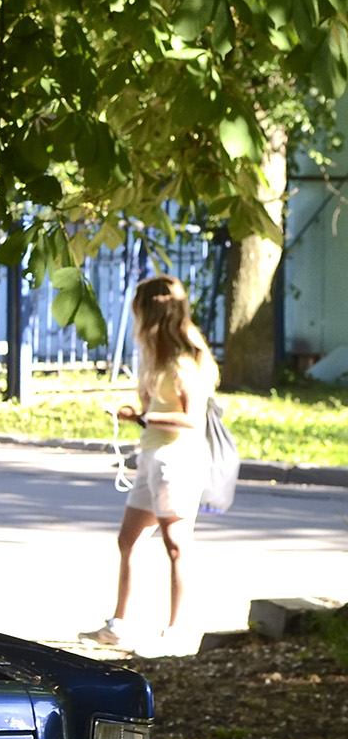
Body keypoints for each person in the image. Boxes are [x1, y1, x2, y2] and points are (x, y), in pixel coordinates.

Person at [79, 274, 217, 653]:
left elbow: (192, 419)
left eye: (139, 311)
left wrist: (142, 419)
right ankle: (119, 625)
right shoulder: (156, 358)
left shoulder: (185, 363)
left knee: (176, 546)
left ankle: (177, 631)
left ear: (151, 312)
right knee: (129, 540)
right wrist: (139, 411)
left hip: (177, 461)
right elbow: (155, 407)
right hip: (152, 458)